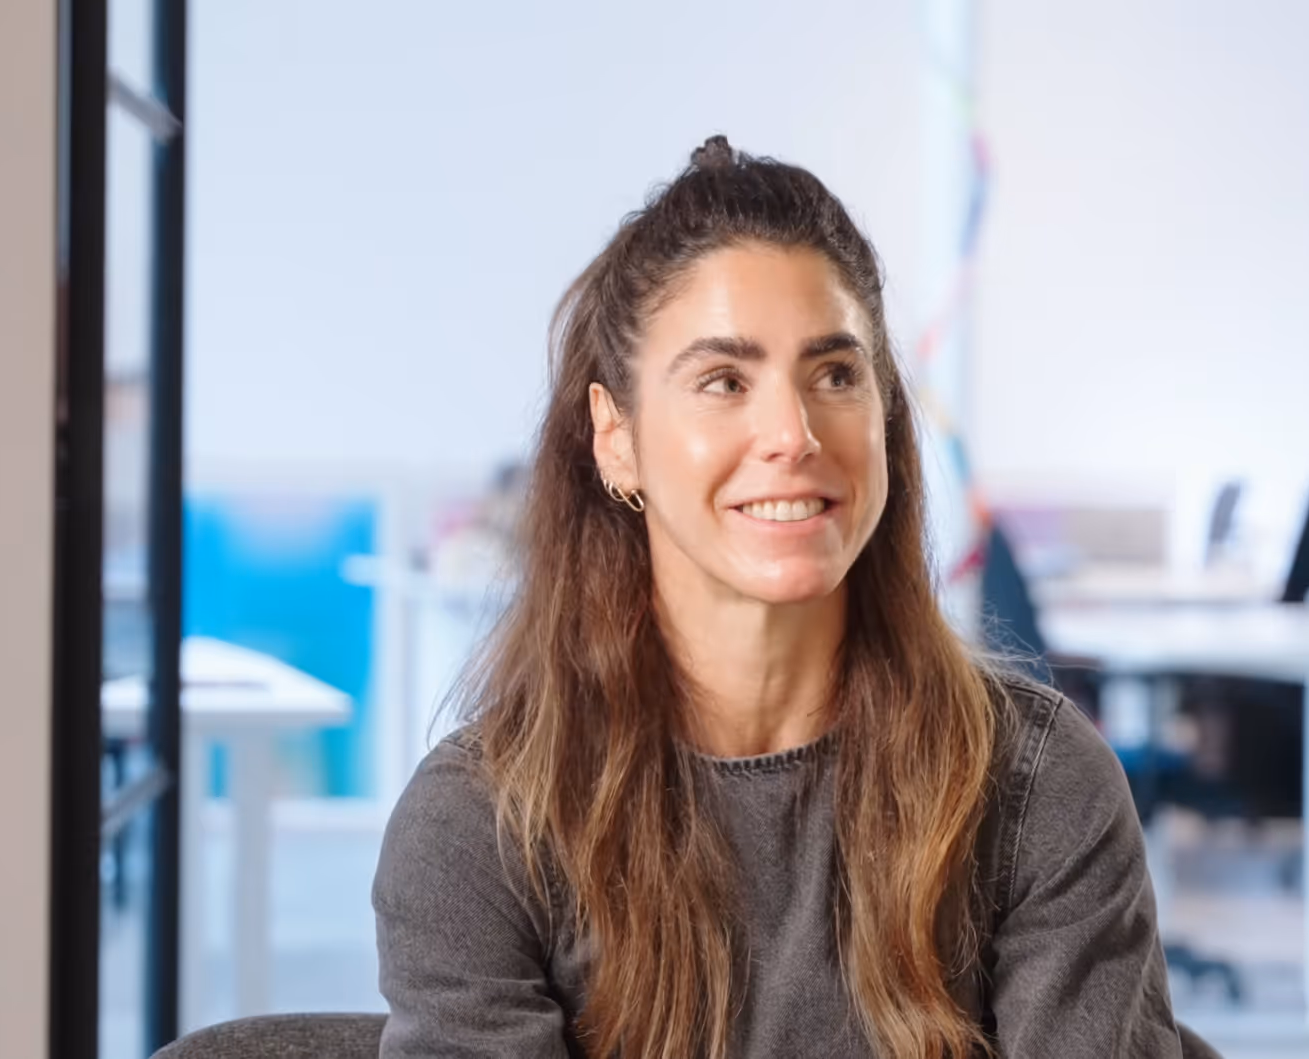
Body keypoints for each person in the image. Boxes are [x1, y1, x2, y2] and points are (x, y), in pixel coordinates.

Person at [373, 135, 1185, 1058]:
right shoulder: (482, 824)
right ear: (616, 438)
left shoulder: (1035, 783)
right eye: (723, 380)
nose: (792, 433)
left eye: (834, 374)